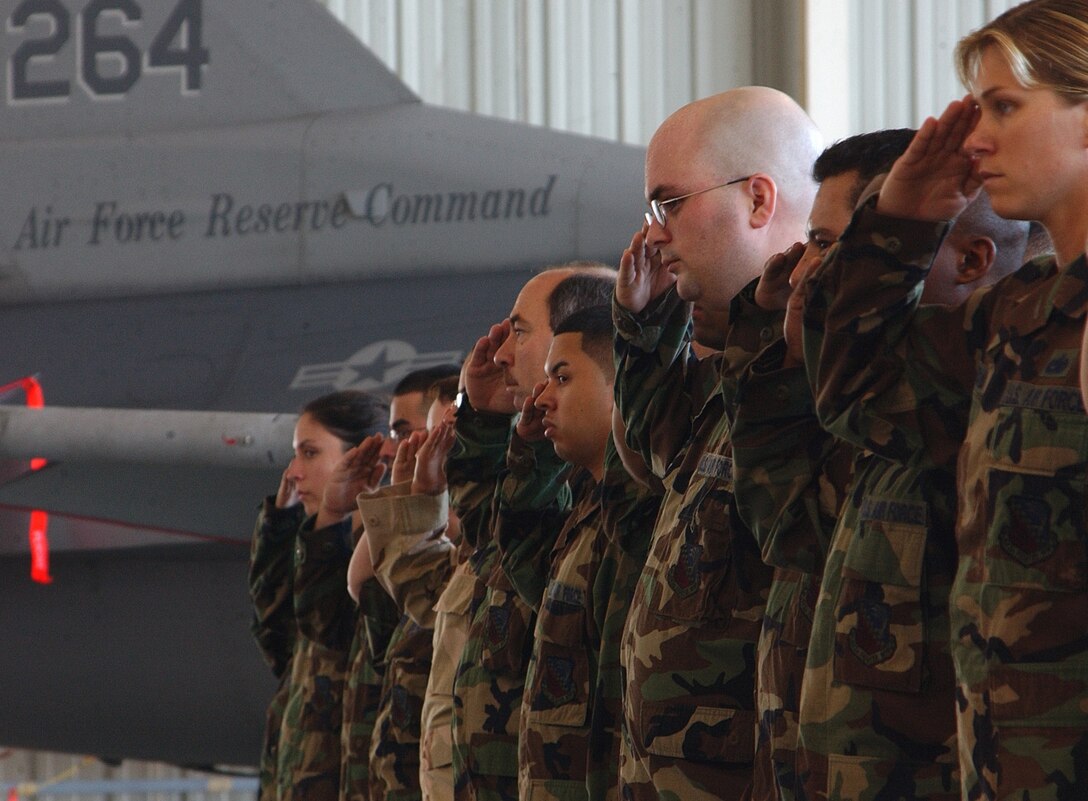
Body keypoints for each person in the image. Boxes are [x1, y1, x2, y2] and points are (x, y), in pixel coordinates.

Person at [802, 2, 1088, 796]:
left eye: (1006, 107)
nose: (975, 140)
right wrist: (896, 224)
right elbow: (856, 393)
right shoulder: (1019, 312)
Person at [613, 86, 821, 799]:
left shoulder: (823, 371)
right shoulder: (736, 371)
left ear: (758, 201)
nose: (654, 233)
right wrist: (642, 333)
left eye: (669, 204)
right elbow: (653, 454)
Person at [449, 266, 615, 801]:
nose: (500, 354)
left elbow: (530, 571)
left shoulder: (582, 471)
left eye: (519, 332)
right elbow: (489, 545)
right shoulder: (548, 464)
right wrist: (482, 421)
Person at [252, 390, 389, 801]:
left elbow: (330, 629)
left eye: (310, 453)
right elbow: (278, 636)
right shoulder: (320, 558)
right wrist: (279, 525)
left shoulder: (374, 566)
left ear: (361, 459)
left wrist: (328, 523)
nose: (294, 471)